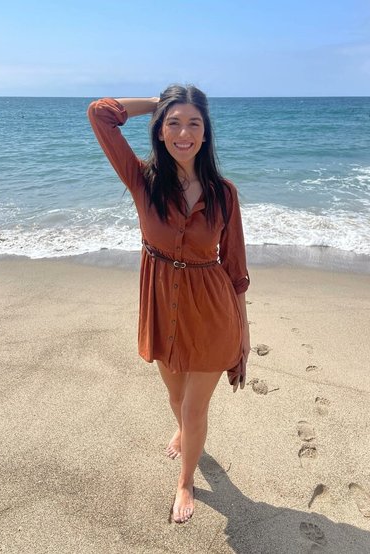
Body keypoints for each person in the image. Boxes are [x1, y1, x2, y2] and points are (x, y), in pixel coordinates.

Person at [87, 85, 250, 523]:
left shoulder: (224, 194)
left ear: (205, 132)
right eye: (173, 123)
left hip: (214, 313)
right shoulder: (143, 181)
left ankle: (185, 481)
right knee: (176, 397)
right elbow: (100, 114)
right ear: (160, 130)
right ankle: (183, 431)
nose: (183, 133)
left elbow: (235, 270)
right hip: (163, 309)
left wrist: (244, 336)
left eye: (194, 123)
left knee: (195, 409)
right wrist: (157, 104)